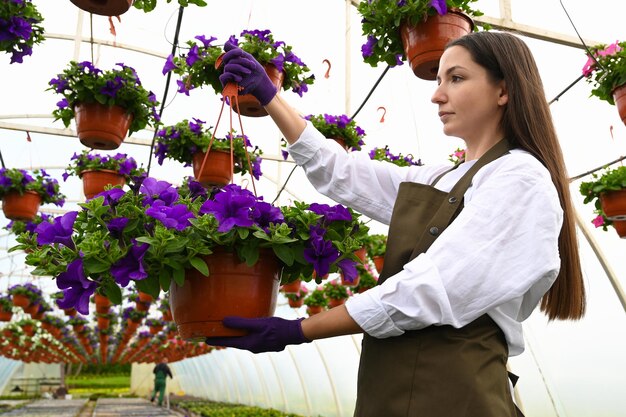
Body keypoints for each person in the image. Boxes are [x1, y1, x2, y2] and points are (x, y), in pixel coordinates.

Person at [206, 30, 586, 417]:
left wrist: (298, 330)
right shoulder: (441, 179)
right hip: (393, 387)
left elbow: (430, 288)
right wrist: (271, 100)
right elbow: (343, 173)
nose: (437, 95)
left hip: (453, 394)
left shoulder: (520, 178)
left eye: (456, 78)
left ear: (503, 90)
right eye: (438, 80)